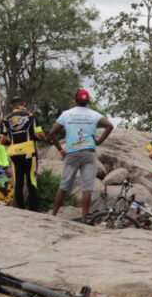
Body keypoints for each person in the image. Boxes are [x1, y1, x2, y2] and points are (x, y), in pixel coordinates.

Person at [48, 89, 113, 219]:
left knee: (64, 185)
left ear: (75, 99)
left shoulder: (67, 114)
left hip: (72, 152)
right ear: (87, 101)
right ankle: (84, 217)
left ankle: (54, 215)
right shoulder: (94, 114)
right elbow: (109, 126)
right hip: (89, 152)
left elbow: (52, 133)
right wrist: (99, 141)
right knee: (87, 187)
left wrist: (61, 150)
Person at [0, 96, 44, 210]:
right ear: (23, 103)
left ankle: (21, 209)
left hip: (14, 153)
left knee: (18, 182)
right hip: (29, 151)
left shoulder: (6, 118)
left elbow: (1, 140)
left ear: (11, 106)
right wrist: (36, 138)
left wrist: (10, 142)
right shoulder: (30, 115)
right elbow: (40, 135)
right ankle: (33, 209)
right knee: (31, 180)